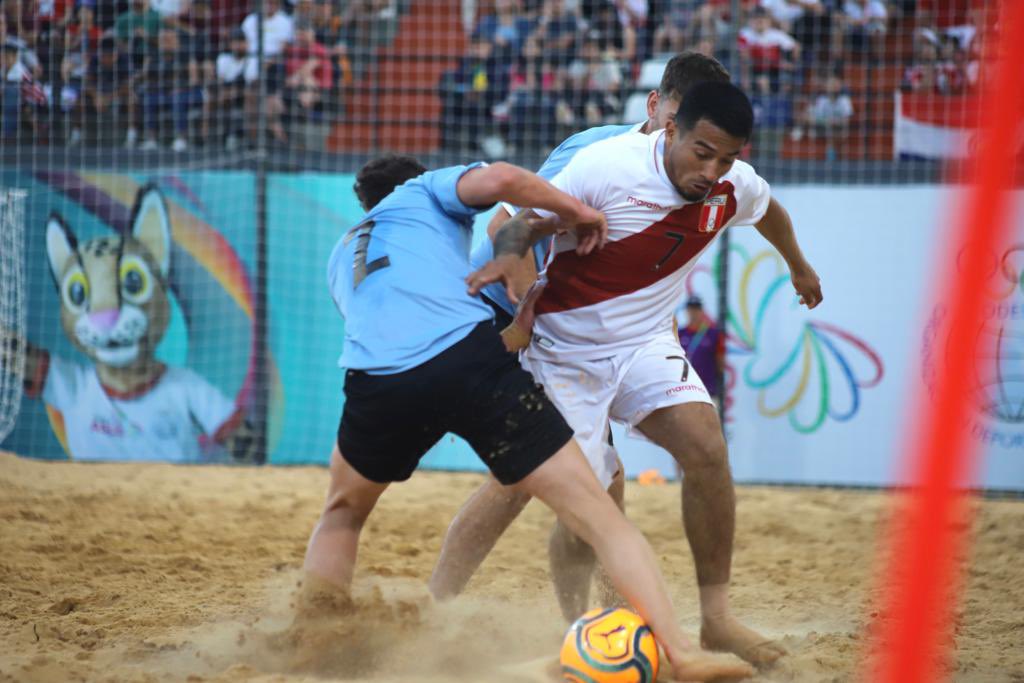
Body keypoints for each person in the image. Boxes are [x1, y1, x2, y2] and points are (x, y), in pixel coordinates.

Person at [302, 154, 754, 683]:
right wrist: (577, 215)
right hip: (473, 352)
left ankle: (312, 644)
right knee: (595, 506)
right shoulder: (430, 192)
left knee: (341, 514)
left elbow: (390, 327)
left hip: (375, 378)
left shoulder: (341, 255)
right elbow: (505, 184)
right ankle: (678, 650)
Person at [441, 82, 823, 668]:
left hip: (643, 341)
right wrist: (515, 292)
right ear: (666, 124)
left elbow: (767, 209)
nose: (712, 170)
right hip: (563, 350)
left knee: (705, 445)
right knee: (564, 493)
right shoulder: (602, 163)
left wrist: (798, 266)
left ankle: (716, 619)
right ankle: (463, 610)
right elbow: (514, 225)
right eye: (702, 152)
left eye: (727, 157)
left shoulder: (731, 182)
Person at [429, 52, 730, 615]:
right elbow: (504, 227)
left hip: (572, 331)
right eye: (682, 119)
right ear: (656, 107)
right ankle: (435, 607)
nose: (690, 138)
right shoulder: (598, 155)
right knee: (525, 476)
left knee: (600, 480)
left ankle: (600, 620)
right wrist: (527, 326)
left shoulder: (692, 175)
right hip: (508, 310)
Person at [677, 295, 725, 405]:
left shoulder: (714, 334)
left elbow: (720, 364)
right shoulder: (679, 334)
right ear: (686, 311)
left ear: (702, 311)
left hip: (707, 390)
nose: (693, 312)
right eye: (691, 308)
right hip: (684, 391)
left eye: (696, 308)